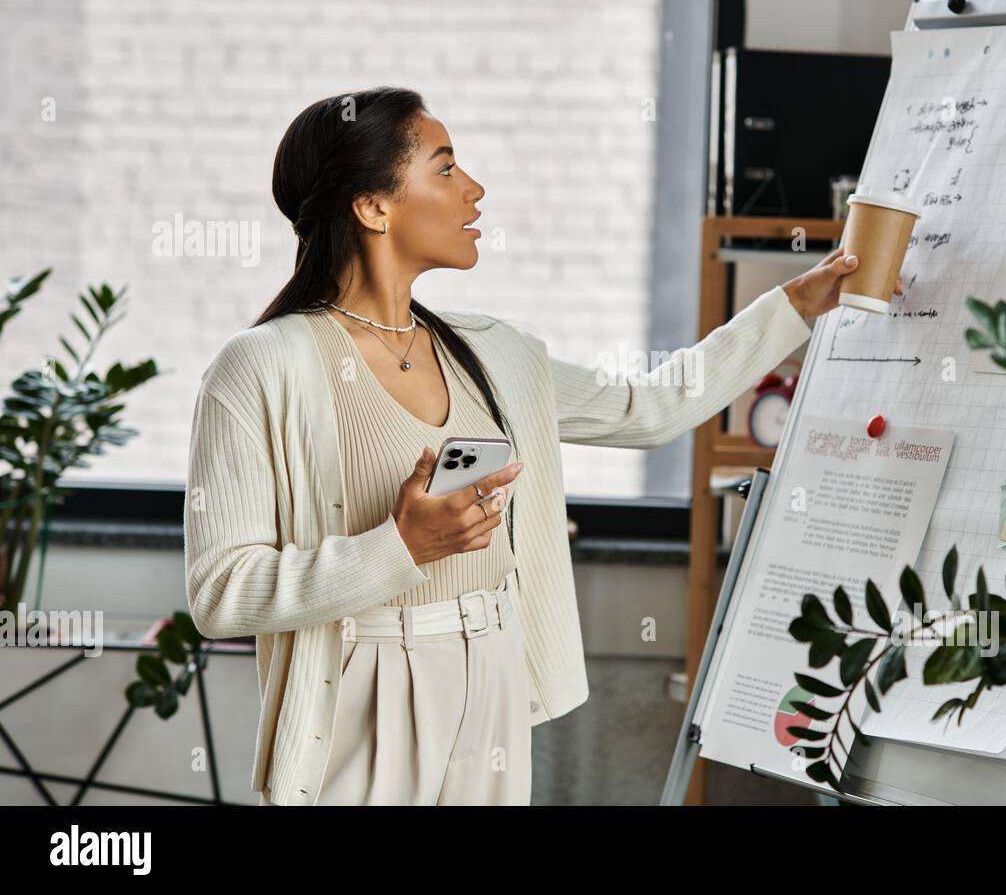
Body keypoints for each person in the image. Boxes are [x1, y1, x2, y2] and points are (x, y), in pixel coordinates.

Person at [183, 86, 881, 806]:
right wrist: (399, 546)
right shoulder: (261, 366)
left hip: (490, 672)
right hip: (362, 680)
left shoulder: (495, 353)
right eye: (446, 169)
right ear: (373, 207)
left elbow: (648, 408)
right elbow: (220, 593)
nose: (475, 190)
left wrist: (794, 307)